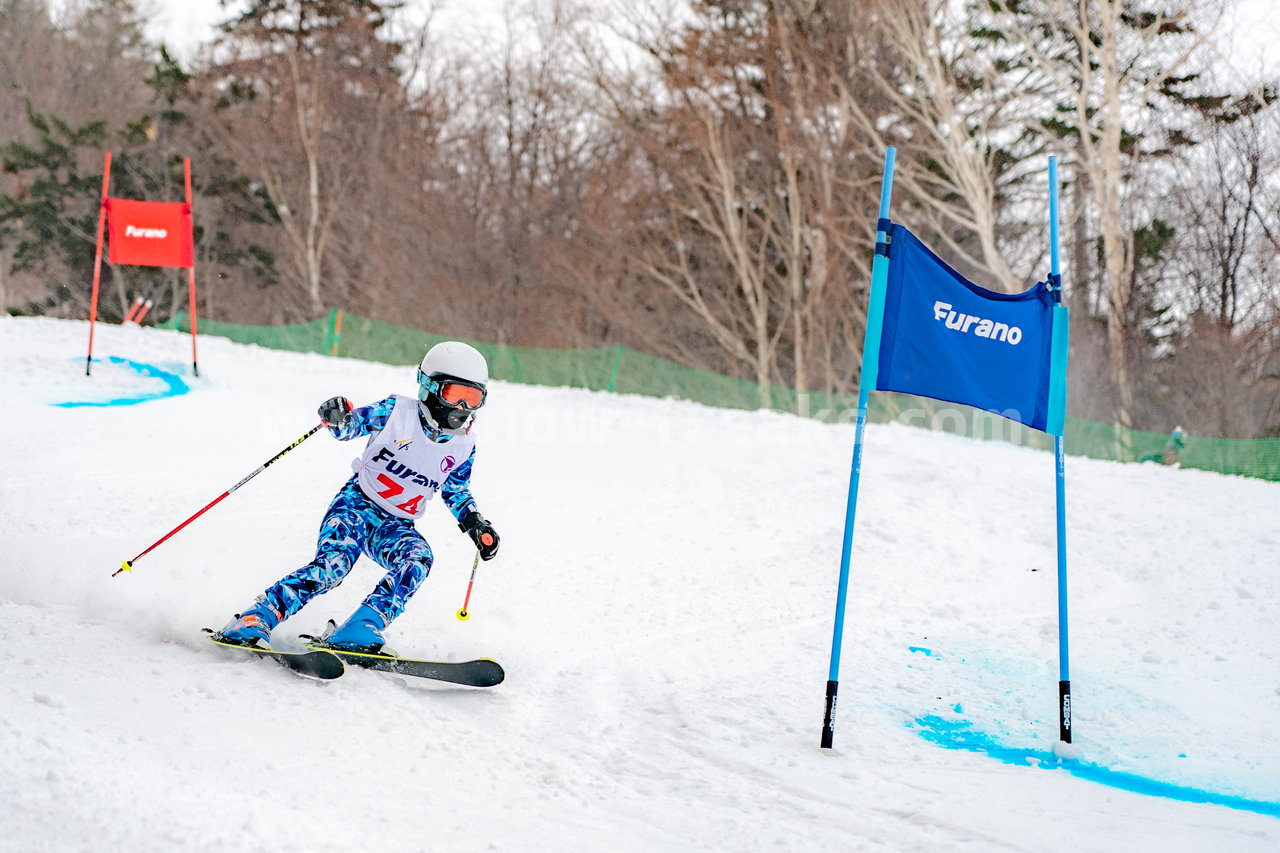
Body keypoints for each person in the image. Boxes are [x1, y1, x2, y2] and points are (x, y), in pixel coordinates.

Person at [214, 341, 500, 654]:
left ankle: (362, 626)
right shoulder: (395, 412)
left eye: (472, 398)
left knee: (418, 558)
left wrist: (474, 521)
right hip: (356, 507)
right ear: (429, 388)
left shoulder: (463, 445)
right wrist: (338, 416)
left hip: (396, 525)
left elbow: (456, 488)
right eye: (453, 394)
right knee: (335, 565)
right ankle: (258, 616)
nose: (461, 407)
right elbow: (349, 426)